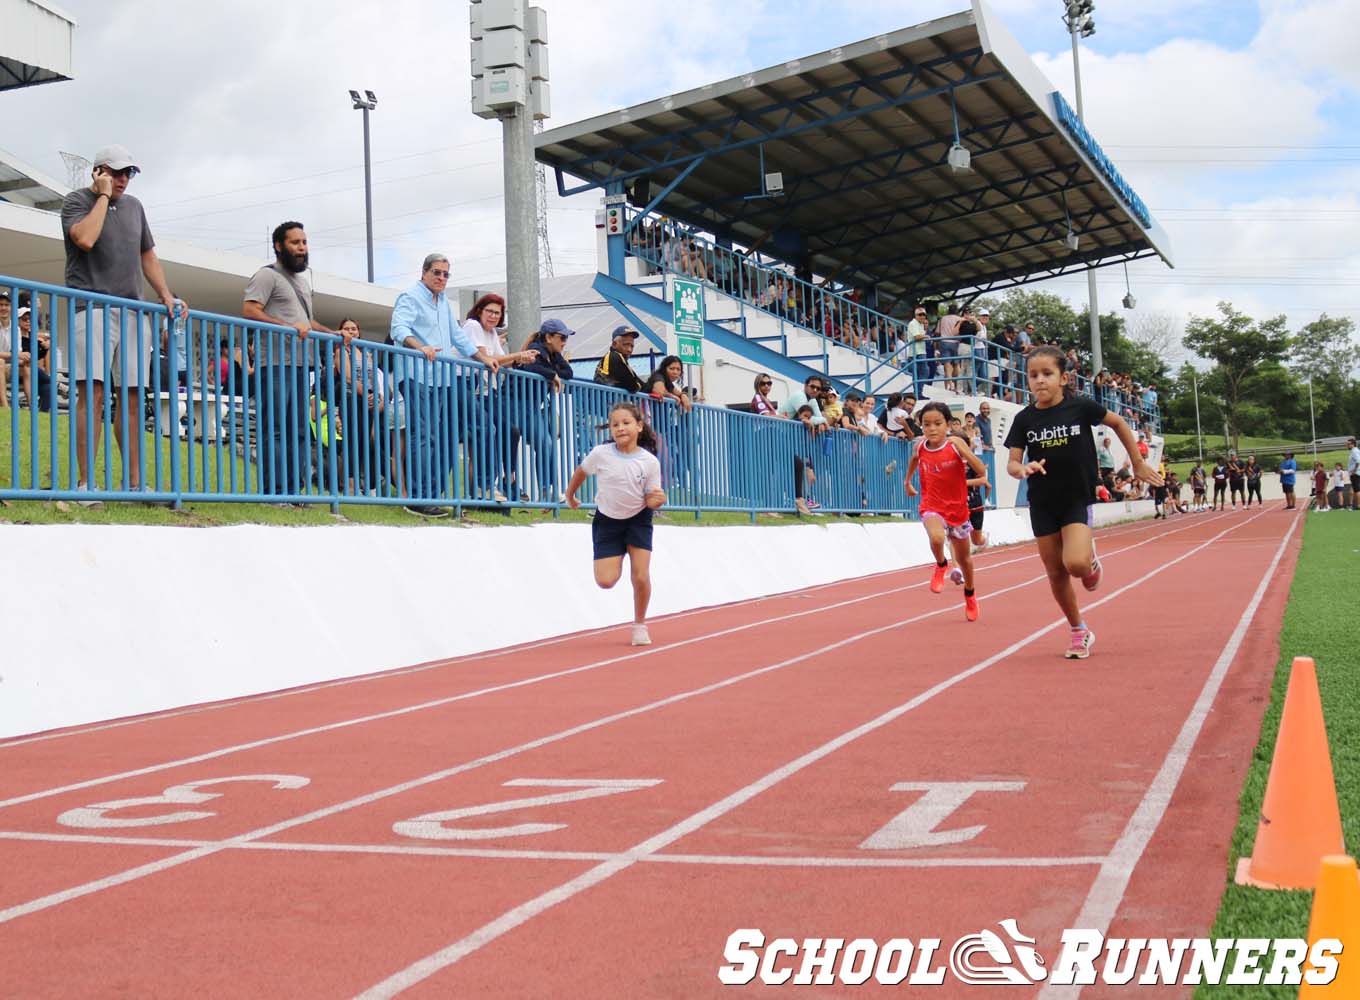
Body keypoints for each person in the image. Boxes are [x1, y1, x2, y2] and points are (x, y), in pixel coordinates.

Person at [1004, 345, 1161, 659]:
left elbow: (1118, 423)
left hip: (1076, 497)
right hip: (1042, 501)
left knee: (1074, 564)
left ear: (1063, 377)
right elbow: (1012, 462)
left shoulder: (1081, 407)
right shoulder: (1024, 419)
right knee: (1055, 573)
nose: (1039, 381)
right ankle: (1079, 630)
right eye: (1033, 375)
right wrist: (1022, 469)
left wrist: (1138, 462)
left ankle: (1090, 561)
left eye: (1047, 374)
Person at [61, 144, 185, 505]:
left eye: (128, 173)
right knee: (93, 395)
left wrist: (166, 294)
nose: (123, 180)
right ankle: (85, 485)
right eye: (116, 173)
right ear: (99, 172)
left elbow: (147, 254)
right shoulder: (75, 201)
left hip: (133, 311)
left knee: (132, 398)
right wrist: (101, 198)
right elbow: (84, 239)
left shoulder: (135, 207)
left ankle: (134, 485)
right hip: (92, 307)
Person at [388, 253, 501, 514]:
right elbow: (398, 328)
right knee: (424, 435)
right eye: (437, 272)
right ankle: (419, 498)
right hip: (416, 374)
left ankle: (431, 494)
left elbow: (459, 337)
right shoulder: (410, 296)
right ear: (424, 272)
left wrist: (483, 358)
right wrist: (421, 346)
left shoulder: (443, 304)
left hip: (441, 377)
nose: (441, 278)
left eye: (445, 274)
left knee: (438, 437)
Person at [243, 221, 336, 499]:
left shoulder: (303, 282)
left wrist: (333, 333)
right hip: (273, 363)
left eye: (304, 242)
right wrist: (284, 327)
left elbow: (305, 321)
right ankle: (276, 492)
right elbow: (249, 310)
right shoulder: (266, 275)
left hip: (299, 364)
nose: (302, 248)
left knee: (298, 430)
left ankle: (295, 492)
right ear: (279, 246)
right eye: (295, 243)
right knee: (274, 429)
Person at [565, 400, 665, 647]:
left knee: (640, 576)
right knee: (606, 581)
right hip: (608, 521)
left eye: (626, 423)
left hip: (638, 520)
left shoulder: (649, 461)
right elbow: (581, 471)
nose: (620, 428)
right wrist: (570, 494)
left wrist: (658, 500)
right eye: (615, 424)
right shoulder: (601, 453)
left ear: (639, 426)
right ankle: (616, 553)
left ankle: (640, 625)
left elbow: (653, 497)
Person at [905, 402, 988, 622]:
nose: (932, 429)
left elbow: (981, 470)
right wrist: (907, 482)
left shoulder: (955, 443)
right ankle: (941, 564)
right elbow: (914, 460)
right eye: (926, 424)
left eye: (937, 424)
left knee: (965, 559)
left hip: (958, 509)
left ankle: (970, 593)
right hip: (932, 505)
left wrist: (964, 451)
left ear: (948, 425)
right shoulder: (921, 446)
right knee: (936, 536)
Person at [460, 293, 538, 503]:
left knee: (510, 431)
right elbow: (486, 358)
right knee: (488, 430)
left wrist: (522, 358)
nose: (494, 316)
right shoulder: (472, 326)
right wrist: (516, 356)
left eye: (498, 312)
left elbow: (501, 361)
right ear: (479, 311)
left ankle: (508, 479)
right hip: (466, 386)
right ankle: (484, 486)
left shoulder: (492, 333)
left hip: (487, 392)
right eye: (490, 311)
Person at [516, 318, 576, 501]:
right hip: (517, 404)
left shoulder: (553, 355)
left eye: (566, 338)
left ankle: (548, 489)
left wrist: (554, 372)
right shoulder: (535, 349)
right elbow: (532, 365)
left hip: (531, 406)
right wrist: (551, 374)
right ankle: (545, 490)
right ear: (549, 337)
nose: (564, 342)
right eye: (562, 338)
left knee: (547, 444)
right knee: (545, 443)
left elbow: (568, 373)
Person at [593, 326, 645, 393]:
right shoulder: (614, 357)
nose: (629, 350)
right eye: (626, 345)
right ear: (614, 344)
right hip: (609, 402)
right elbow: (633, 386)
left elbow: (642, 385)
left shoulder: (621, 361)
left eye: (632, 346)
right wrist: (639, 386)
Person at [1348, 437, 1360, 510]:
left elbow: (1358, 461)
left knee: (1357, 490)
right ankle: (1351, 505)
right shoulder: (1354, 451)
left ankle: (1359, 505)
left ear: (1353, 444)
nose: (1347, 445)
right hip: (1354, 474)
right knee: (1353, 489)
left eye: (1348, 444)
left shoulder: (1354, 451)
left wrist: (1354, 471)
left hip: (1355, 474)